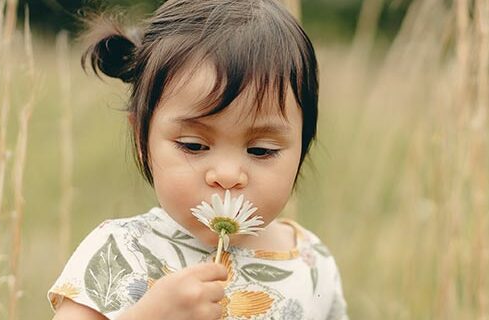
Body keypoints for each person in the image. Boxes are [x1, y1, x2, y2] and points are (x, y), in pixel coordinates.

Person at [47, 0, 346, 319]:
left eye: (261, 150)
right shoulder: (120, 251)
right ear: (141, 140)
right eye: (193, 145)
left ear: (302, 147)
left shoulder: (311, 262)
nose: (228, 175)